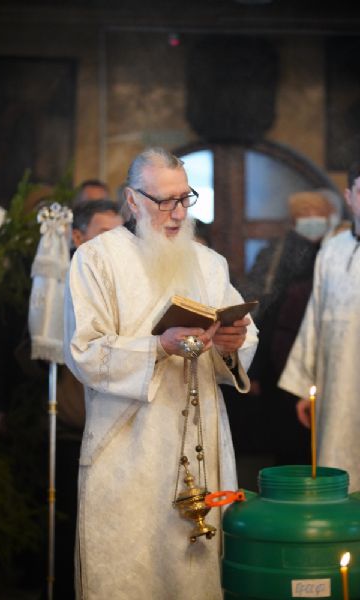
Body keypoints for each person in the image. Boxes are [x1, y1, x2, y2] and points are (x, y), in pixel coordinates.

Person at [64, 147, 258, 600]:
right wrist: (157, 347)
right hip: (127, 447)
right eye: (164, 201)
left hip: (198, 440)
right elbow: (84, 351)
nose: (178, 213)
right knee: (129, 573)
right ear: (133, 200)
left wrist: (231, 345)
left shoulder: (209, 263)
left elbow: (243, 337)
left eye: (184, 198)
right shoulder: (96, 260)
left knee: (192, 577)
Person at [227, 189, 339, 467]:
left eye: (317, 214)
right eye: (305, 215)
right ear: (293, 219)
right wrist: (254, 369)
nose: (312, 220)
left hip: (324, 353)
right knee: (288, 439)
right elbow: (261, 309)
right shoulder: (276, 253)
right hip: (280, 355)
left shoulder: (335, 250)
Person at [54, 199, 123, 599]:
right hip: (75, 423)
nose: (113, 244)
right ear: (78, 238)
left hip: (118, 426)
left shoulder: (124, 282)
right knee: (73, 522)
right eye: (103, 234)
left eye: (120, 233)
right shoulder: (61, 281)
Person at [278, 164, 360, 491]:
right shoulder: (332, 251)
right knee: (339, 474)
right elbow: (314, 320)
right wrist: (305, 385)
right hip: (337, 389)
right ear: (349, 197)